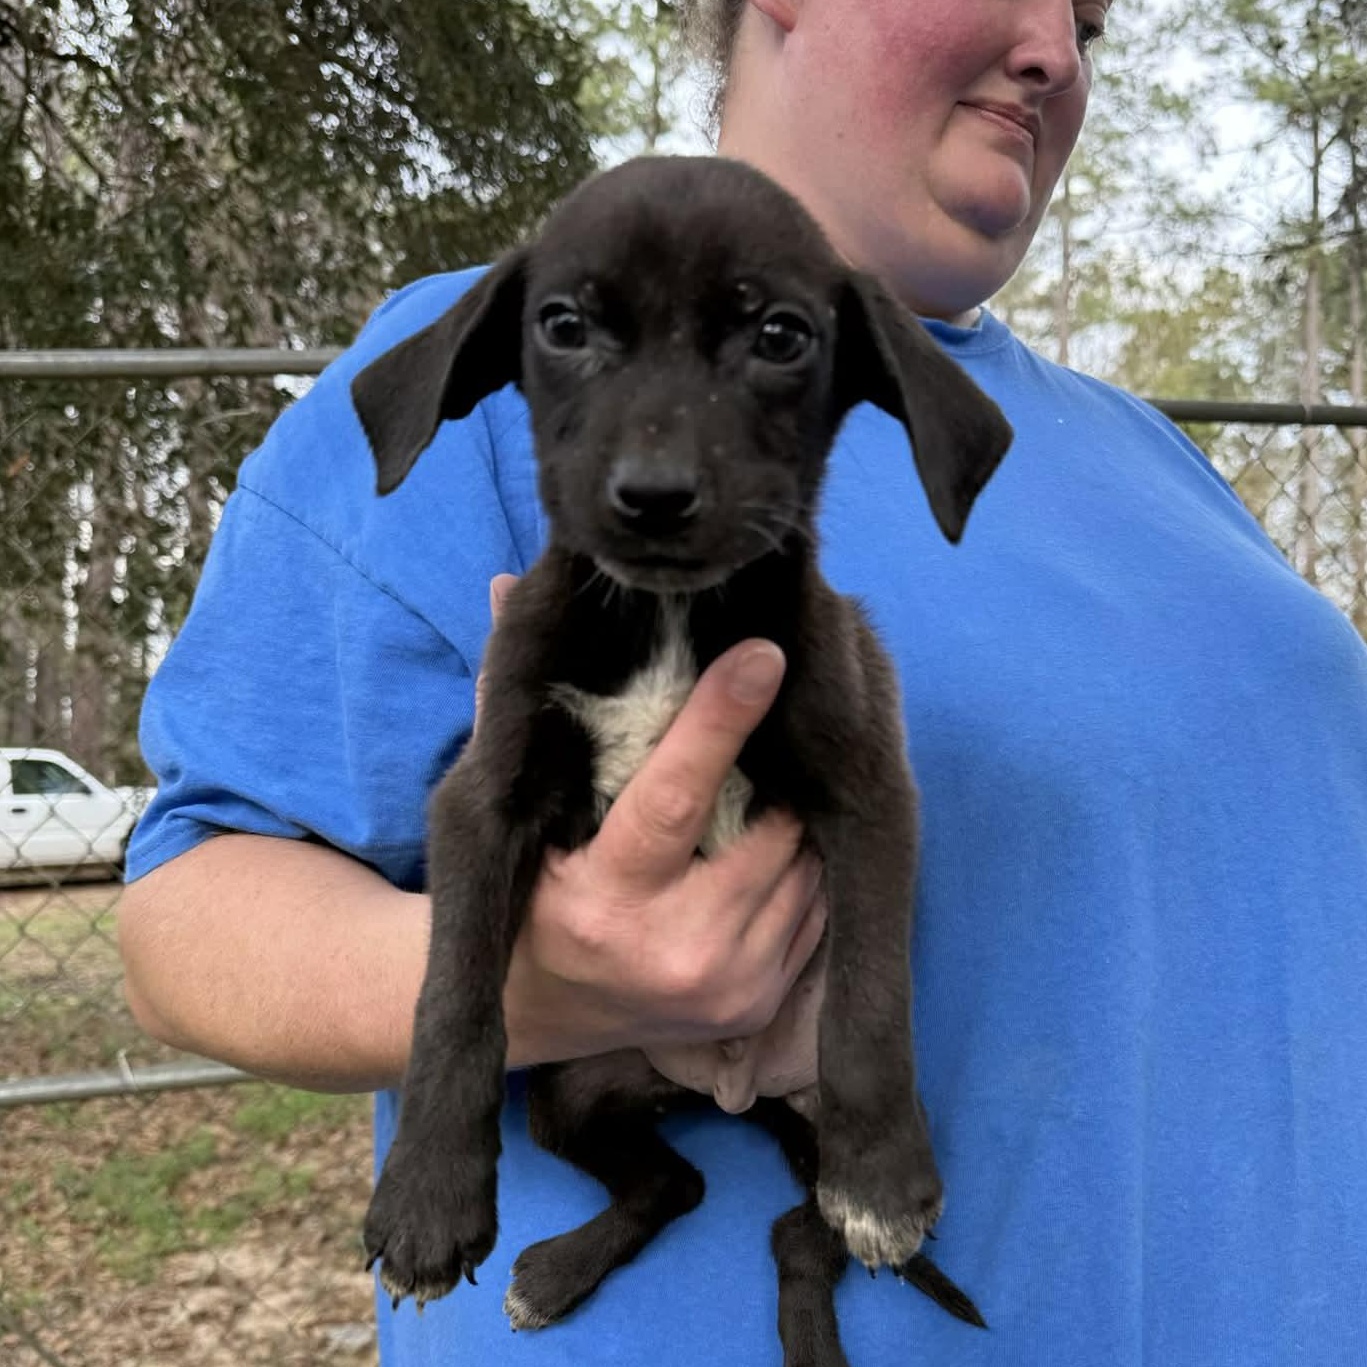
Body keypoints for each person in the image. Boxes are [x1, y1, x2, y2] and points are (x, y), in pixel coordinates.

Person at [117, 1, 1367, 1364]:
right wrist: (559, 984)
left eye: (1088, 16)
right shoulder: (502, 373)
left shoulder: (1157, 459)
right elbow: (185, 920)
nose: (1057, 48)